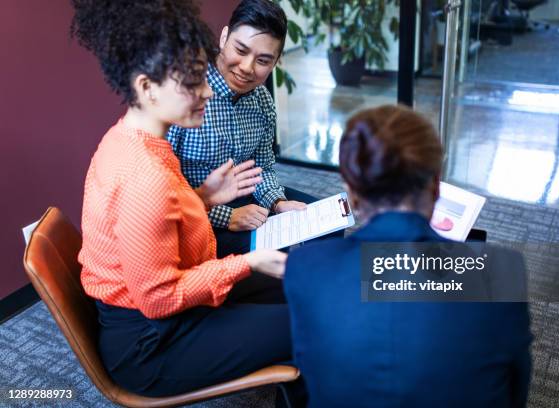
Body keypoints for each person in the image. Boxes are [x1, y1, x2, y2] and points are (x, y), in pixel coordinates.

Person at [72, 0, 299, 401]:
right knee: (312, 320)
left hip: (163, 308)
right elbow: (160, 298)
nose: (209, 90)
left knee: (306, 287)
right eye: (194, 81)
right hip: (151, 343)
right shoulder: (145, 177)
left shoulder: (130, 139)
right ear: (146, 87)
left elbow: (163, 219)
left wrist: (205, 197)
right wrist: (247, 262)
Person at [284, 105, 532, 407]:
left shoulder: (304, 267)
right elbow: (515, 392)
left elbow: (312, 370)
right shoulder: (501, 273)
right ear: (436, 185)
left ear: (352, 193)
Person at [167, 0, 328, 258]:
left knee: (324, 223)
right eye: (241, 50)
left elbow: (262, 166)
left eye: (263, 60)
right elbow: (165, 189)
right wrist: (226, 216)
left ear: (275, 62)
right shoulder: (185, 95)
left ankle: (318, 294)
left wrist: (277, 202)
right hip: (195, 214)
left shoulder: (263, 102)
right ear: (224, 37)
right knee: (275, 251)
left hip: (247, 198)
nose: (246, 67)